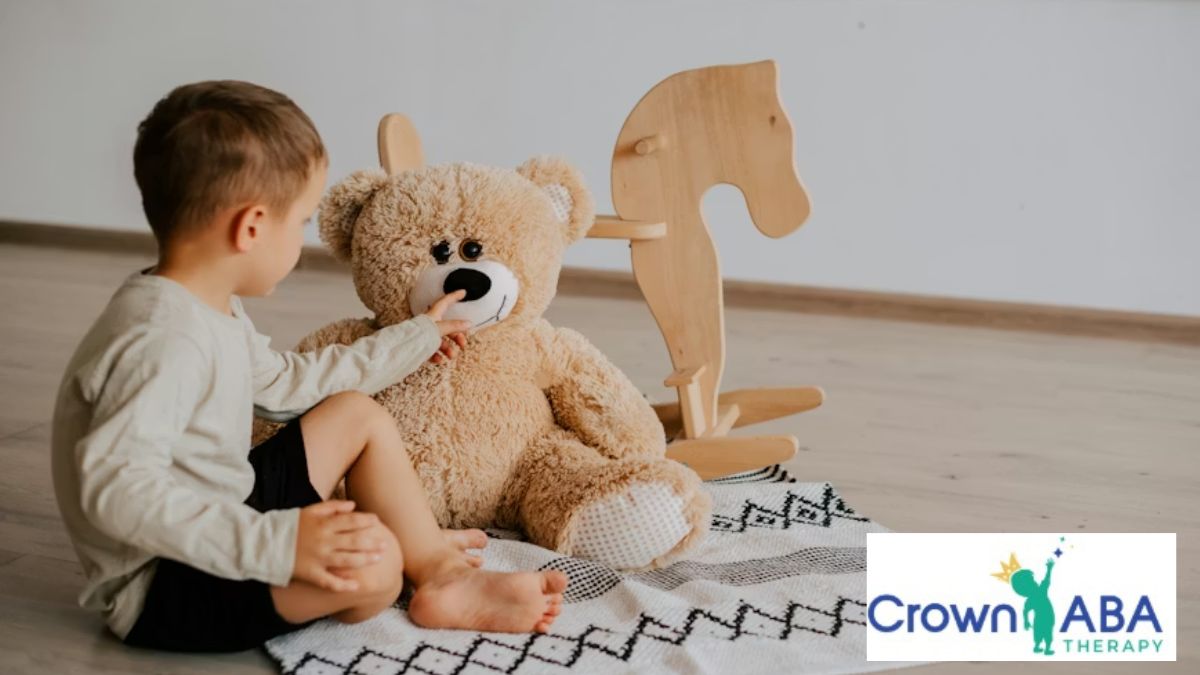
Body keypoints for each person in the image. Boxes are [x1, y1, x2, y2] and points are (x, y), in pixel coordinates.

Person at [49, 80, 567, 653]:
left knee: (356, 413)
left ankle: (445, 578)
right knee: (375, 572)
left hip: (225, 513)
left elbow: (282, 386)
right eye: (297, 223)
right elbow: (117, 491)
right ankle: (400, 568)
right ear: (250, 228)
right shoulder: (159, 340)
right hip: (165, 583)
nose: (299, 242)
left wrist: (412, 339)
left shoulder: (205, 303)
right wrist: (278, 543)